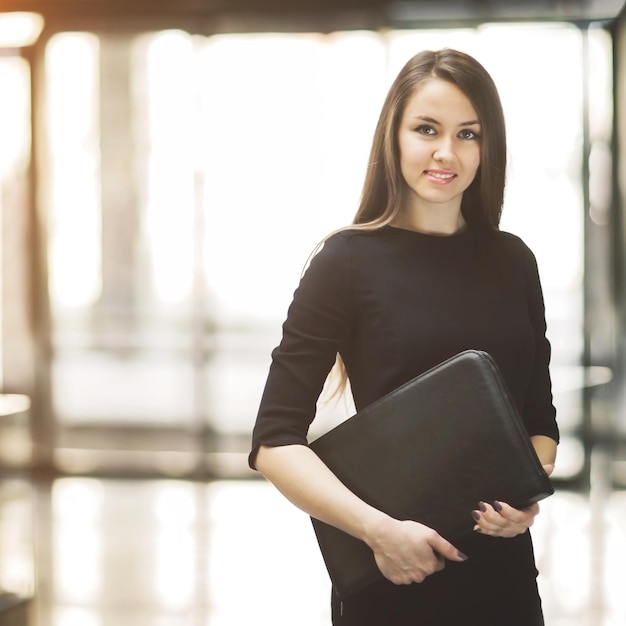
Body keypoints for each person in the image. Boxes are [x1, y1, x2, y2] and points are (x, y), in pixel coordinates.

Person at [249, 48, 559, 626]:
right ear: (393, 137)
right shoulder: (344, 261)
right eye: (426, 129)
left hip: (505, 585)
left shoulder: (515, 262)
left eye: (468, 133)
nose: (447, 151)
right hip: (392, 578)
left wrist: (526, 498)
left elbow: (539, 423)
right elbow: (274, 442)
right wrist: (379, 532)